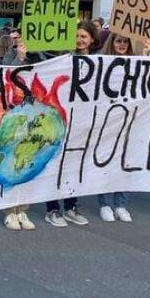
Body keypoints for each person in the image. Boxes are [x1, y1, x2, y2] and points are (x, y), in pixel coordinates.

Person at [44, 21, 97, 228]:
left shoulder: (100, 61)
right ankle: (52, 208)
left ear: (92, 39)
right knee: (56, 162)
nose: (80, 40)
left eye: (84, 36)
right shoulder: (63, 59)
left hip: (83, 122)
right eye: (77, 35)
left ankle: (71, 206)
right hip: (61, 119)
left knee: (75, 165)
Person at [95, 33, 144, 223]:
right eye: (118, 41)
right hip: (107, 120)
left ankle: (121, 204)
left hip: (130, 120)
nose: (122, 44)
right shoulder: (102, 62)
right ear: (112, 42)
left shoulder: (136, 63)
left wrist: (147, 55)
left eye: (126, 41)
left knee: (124, 163)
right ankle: (105, 203)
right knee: (105, 162)